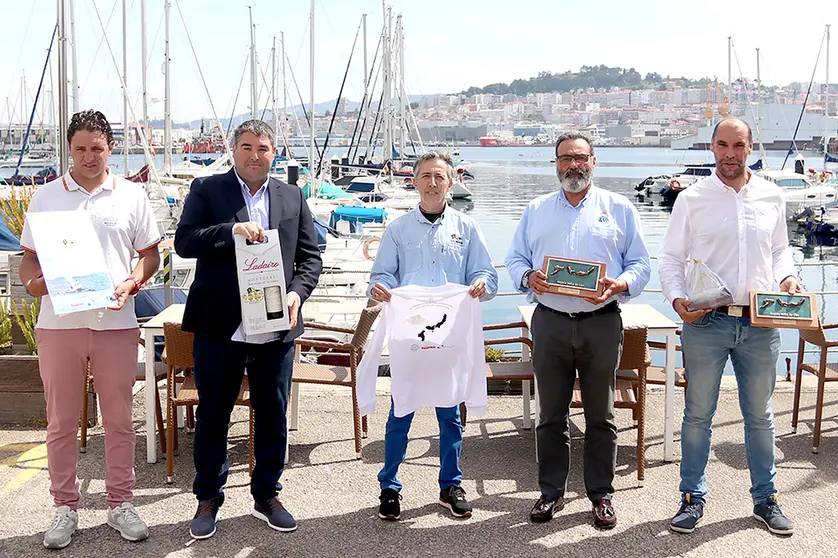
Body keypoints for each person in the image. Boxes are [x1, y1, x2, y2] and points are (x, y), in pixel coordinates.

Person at [19, 109, 161, 549]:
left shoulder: (132, 195)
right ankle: (65, 506)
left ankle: (121, 502)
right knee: (61, 421)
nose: (88, 156)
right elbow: (29, 261)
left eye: (97, 148)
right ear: (69, 148)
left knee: (119, 420)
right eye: (80, 148)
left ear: (110, 148)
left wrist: (133, 282)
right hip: (58, 324)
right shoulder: (46, 196)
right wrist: (35, 284)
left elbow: (150, 256)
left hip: (115, 322)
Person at [174, 119, 322, 539]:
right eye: (247, 147)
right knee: (213, 416)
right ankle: (208, 498)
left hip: (275, 326)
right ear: (233, 150)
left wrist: (296, 294)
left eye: (263, 148)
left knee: (273, 414)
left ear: (274, 152)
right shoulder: (207, 189)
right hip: (220, 326)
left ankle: (267, 495)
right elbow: (184, 242)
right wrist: (230, 231)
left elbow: (310, 258)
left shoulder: (292, 195)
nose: (255, 156)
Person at [658, 117, 800, 536]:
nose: (730, 154)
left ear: (750, 147)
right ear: (712, 148)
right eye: (722, 145)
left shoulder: (772, 195)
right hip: (706, 322)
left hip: (760, 321)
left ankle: (765, 499)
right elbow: (670, 258)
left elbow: (780, 251)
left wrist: (788, 277)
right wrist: (677, 300)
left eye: (738, 146)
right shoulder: (692, 199)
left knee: (760, 416)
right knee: (698, 415)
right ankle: (692, 498)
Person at [505, 132, 651, 529]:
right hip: (550, 321)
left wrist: (620, 285)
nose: (574, 165)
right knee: (550, 414)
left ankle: (601, 494)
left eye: (581, 158)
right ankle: (551, 491)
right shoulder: (536, 209)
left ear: (593, 161)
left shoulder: (619, 208)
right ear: (555, 163)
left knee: (601, 415)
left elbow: (641, 264)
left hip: (601, 323)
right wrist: (527, 277)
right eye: (566, 158)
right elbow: (514, 258)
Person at [368, 150, 498, 521]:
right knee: (400, 413)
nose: (432, 183)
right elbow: (381, 275)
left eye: (439, 176)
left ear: (451, 182)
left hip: (450, 335)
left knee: (450, 415)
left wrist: (480, 284)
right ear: (414, 181)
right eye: (425, 176)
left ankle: (450, 485)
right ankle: (389, 487)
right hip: (409, 336)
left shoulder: (467, 228)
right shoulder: (397, 229)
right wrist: (379, 288)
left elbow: (488, 275)